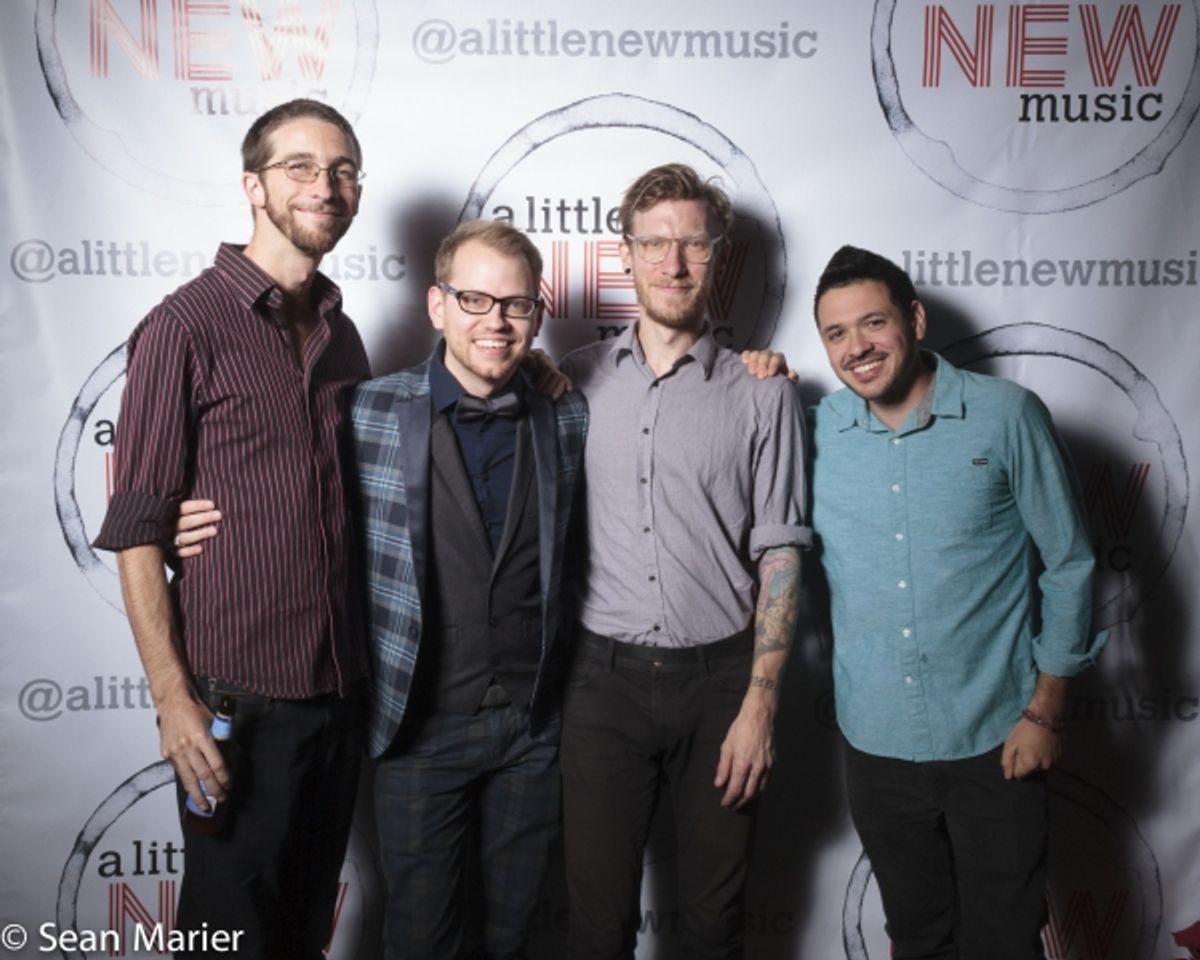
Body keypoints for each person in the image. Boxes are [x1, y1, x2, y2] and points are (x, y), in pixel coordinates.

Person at [94, 99, 369, 958]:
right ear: (252, 185)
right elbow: (140, 528)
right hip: (236, 701)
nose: (326, 186)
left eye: (344, 170)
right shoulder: (182, 327)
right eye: (301, 167)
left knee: (300, 933)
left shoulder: (344, 335)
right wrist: (173, 702)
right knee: (229, 932)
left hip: (339, 693)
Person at [808, 245, 1107, 959]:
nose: (857, 348)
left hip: (997, 738)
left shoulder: (1007, 416)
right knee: (917, 937)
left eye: (873, 323)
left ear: (914, 318)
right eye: (836, 334)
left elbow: (1069, 563)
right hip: (876, 747)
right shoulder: (816, 431)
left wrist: (1044, 711)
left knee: (1004, 938)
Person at [557, 163, 809, 959]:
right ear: (624, 255)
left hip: (721, 687)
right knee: (596, 928)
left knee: (712, 927)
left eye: (694, 245)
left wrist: (760, 707)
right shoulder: (568, 378)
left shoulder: (762, 392)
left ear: (719, 258)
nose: (674, 263)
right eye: (656, 244)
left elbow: (781, 552)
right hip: (600, 686)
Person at [345, 219, 587, 958]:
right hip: (418, 725)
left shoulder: (570, 413)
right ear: (437, 305)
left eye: (514, 305)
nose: (496, 321)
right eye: (475, 300)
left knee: (516, 935)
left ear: (537, 316)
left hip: (531, 729)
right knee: (421, 937)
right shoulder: (365, 412)